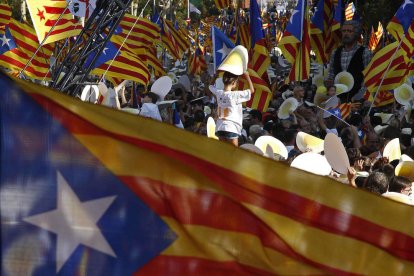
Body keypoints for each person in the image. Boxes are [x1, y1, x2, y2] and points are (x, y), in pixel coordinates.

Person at [326, 20, 372, 103]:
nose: (346, 34)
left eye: (349, 31)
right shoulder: (335, 52)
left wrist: (359, 97)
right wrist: (329, 83)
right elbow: (331, 74)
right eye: (344, 31)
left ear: (356, 33)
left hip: (357, 99)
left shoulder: (365, 52)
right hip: (337, 99)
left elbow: (368, 79)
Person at [211, 71, 255, 146]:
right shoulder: (235, 95)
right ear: (234, 82)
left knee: (223, 152)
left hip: (219, 126)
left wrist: (214, 77)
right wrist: (247, 76)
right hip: (232, 127)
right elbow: (252, 90)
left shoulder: (219, 93)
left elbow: (210, 86)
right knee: (234, 153)